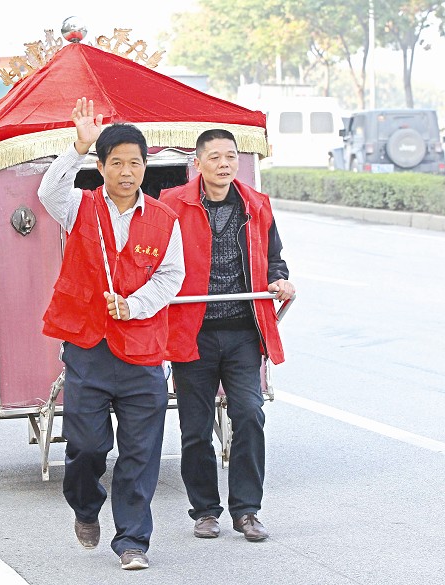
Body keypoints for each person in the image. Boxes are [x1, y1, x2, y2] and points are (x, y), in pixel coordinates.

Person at [38, 98, 185, 570]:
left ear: (145, 167)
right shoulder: (78, 206)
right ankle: (85, 507)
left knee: (141, 452)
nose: (126, 171)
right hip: (88, 348)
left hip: (143, 351)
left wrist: (133, 305)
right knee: (87, 446)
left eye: (135, 163)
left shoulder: (164, 220)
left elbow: (171, 276)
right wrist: (78, 146)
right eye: (116, 162)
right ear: (100, 167)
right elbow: (47, 191)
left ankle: (132, 541)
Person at [159, 129, 295, 542]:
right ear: (197, 163)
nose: (224, 164)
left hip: (242, 332)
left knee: (250, 414)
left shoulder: (256, 205)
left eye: (230, 156)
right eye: (215, 157)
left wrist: (279, 280)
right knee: (195, 427)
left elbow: (274, 259)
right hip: (192, 332)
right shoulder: (171, 204)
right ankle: (204, 510)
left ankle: (247, 511)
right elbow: (153, 258)